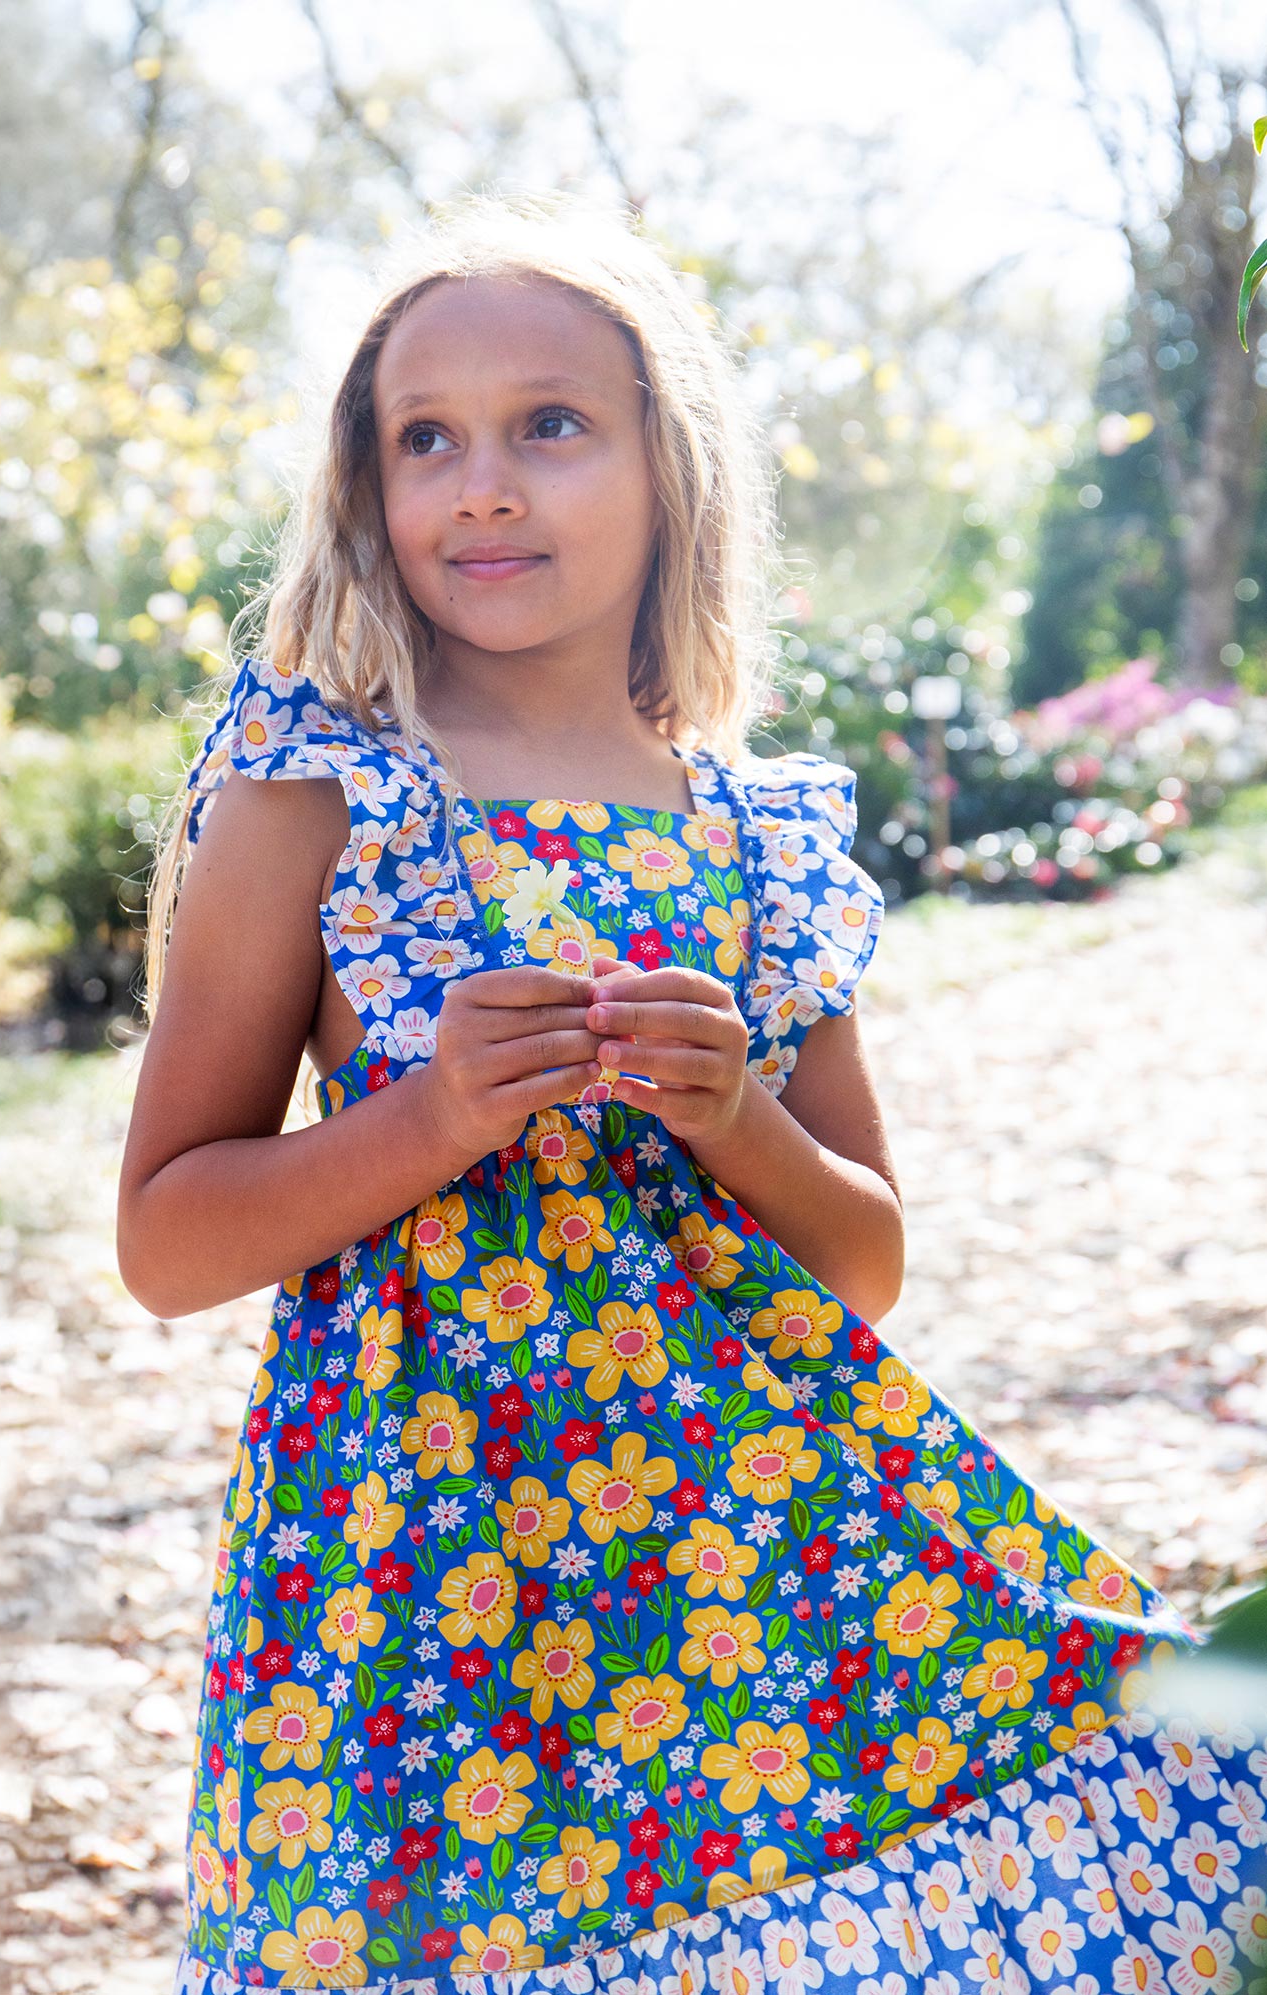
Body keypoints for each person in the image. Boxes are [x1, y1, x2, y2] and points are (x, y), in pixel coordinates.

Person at [118, 191, 1266, 1995]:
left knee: (1154, 1769)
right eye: (428, 440)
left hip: (759, 1566)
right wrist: (418, 1126)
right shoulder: (319, 792)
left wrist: (740, 1119)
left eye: (548, 426)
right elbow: (168, 1241)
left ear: (674, 468)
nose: (481, 485)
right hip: (420, 1588)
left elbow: (868, 1266)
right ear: (370, 488)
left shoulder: (755, 832)